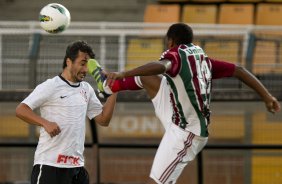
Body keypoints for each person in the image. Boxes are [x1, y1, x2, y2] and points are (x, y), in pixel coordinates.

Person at [88, 23, 281, 184]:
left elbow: (162, 66)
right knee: (149, 79)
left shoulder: (176, 55)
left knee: (155, 182)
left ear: (170, 41)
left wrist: (124, 73)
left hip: (186, 132)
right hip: (177, 115)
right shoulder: (202, 58)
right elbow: (238, 69)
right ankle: (108, 86)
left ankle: (112, 83)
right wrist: (267, 96)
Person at [15, 40, 117, 184]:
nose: (86, 69)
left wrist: (114, 90)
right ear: (69, 62)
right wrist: (45, 123)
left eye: (88, 65)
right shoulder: (51, 85)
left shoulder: (86, 89)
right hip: (49, 166)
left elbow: (103, 120)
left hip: (77, 168)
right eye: (82, 63)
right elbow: (21, 110)